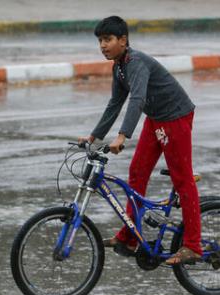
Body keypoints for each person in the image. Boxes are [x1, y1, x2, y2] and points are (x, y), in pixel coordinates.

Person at [77, 15, 202, 265]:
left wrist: (123, 135)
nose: (103, 45)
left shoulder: (136, 63)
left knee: (183, 178)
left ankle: (193, 246)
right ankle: (130, 237)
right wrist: (94, 136)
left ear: (123, 40)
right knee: (137, 171)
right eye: (100, 41)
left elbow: (137, 99)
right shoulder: (119, 66)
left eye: (108, 40)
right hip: (156, 119)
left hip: (175, 117)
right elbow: (115, 103)